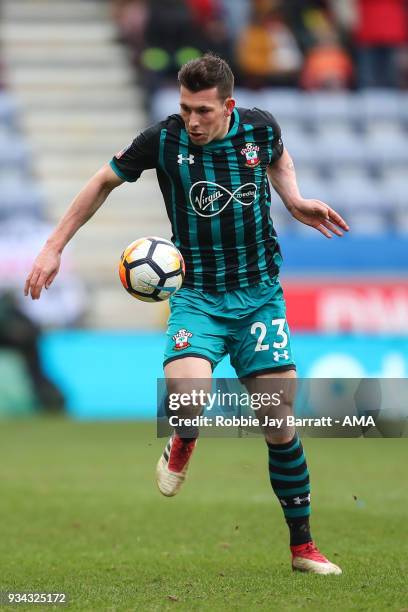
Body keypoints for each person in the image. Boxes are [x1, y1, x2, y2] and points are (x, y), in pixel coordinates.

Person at [25, 53, 348, 575]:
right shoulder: (163, 139)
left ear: (228, 106)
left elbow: (279, 159)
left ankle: (303, 548)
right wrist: (53, 247)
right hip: (197, 296)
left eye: (202, 110)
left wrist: (292, 198)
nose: (192, 121)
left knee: (278, 423)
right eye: (185, 108)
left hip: (259, 295)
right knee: (189, 399)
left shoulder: (261, 128)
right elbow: (101, 181)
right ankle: (183, 439)